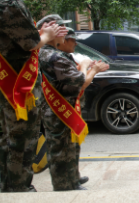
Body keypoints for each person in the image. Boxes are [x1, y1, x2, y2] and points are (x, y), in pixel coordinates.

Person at [0, 0, 68, 192]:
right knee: (23, 139)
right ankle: (19, 188)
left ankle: (8, 185)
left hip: (4, 80)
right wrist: (47, 35)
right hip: (18, 83)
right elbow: (31, 43)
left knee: (9, 137)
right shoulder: (9, 2)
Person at [39, 24, 109, 191]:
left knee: (70, 146)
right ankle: (65, 185)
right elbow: (80, 81)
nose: (75, 43)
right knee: (61, 148)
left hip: (65, 107)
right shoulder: (55, 57)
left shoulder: (55, 54)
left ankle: (73, 177)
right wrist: (90, 68)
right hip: (59, 110)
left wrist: (89, 69)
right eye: (70, 38)